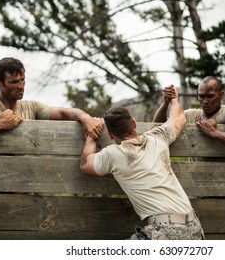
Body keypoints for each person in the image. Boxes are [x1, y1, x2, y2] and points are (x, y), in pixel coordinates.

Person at [80, 85, 204, 240]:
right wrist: (173, 99)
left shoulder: (113, 154)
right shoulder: (158, 137)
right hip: (194, 228)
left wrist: (92, 134)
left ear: (111, 135)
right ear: (134, 123)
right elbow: (179, 117)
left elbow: (85, 164)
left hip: (164, 233)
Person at [0, 57, 104, 140]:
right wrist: (1, 124)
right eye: (14, 82)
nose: (21, 86)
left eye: (23, 80)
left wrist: (85, 118)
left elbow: (64, 113)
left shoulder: (32, 107)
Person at [153, 76, 225, 152]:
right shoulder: (191, 115)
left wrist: (214, 133)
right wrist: (166, 102)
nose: (205, 101)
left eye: (210, 96)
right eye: (201, 96)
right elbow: (159, 126)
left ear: (221, 95)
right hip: (193, 175)